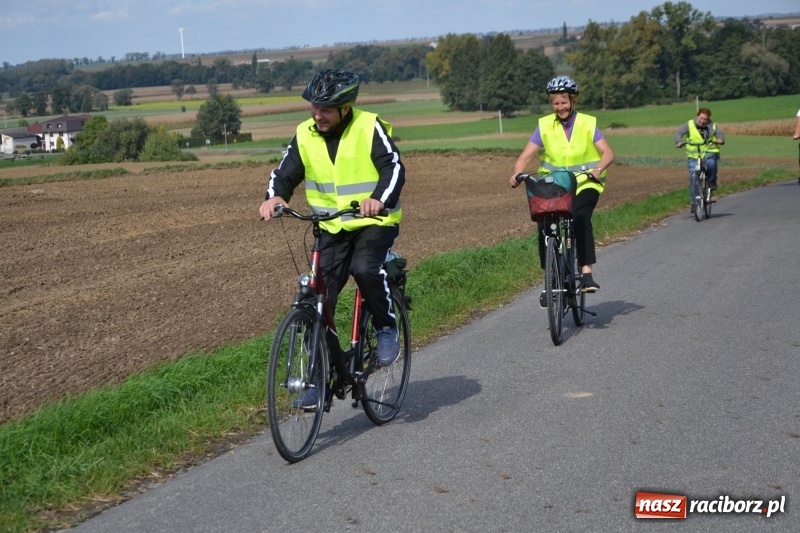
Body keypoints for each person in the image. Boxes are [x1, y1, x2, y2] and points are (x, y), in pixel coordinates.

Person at [259, 69, 405, 408]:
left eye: (325, 109)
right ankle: (315, 378)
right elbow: (284, 173)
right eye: (314, 107)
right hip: (330, 227)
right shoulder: (305, 134)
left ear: (345, 107)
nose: (317, 114)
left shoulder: (368, 127)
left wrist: (379, 199)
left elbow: (394, 167)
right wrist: (275, 196)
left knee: (364, 268)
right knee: (315, 299)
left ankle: (385, 327)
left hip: (373, 221)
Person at [508, 75, 615, 308]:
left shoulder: (587, 123)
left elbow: (608, 153)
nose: (560, 107)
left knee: (580, 217)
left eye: (564, 102)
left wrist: (598, 169)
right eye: (556, 103)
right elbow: (525, 156)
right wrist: (517, 173)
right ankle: (551, 281)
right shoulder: (544, 125)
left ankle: (586, 273)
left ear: (573, 101)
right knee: (544, 226)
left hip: (585, 182)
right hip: (554, 185)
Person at [675, 108, 725, 199]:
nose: (702, 121)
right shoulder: (690, 124)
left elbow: (720, 134)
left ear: (708, 119)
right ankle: (694, 203)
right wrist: (679, 142)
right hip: (694, 154)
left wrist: (720, 140)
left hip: (710, 151)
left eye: (705, 119)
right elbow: (679, 133)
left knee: (711, 164)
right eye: (701, 118)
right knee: (693, 177)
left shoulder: (713, 126)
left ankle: (712, 182)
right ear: (697, 116)